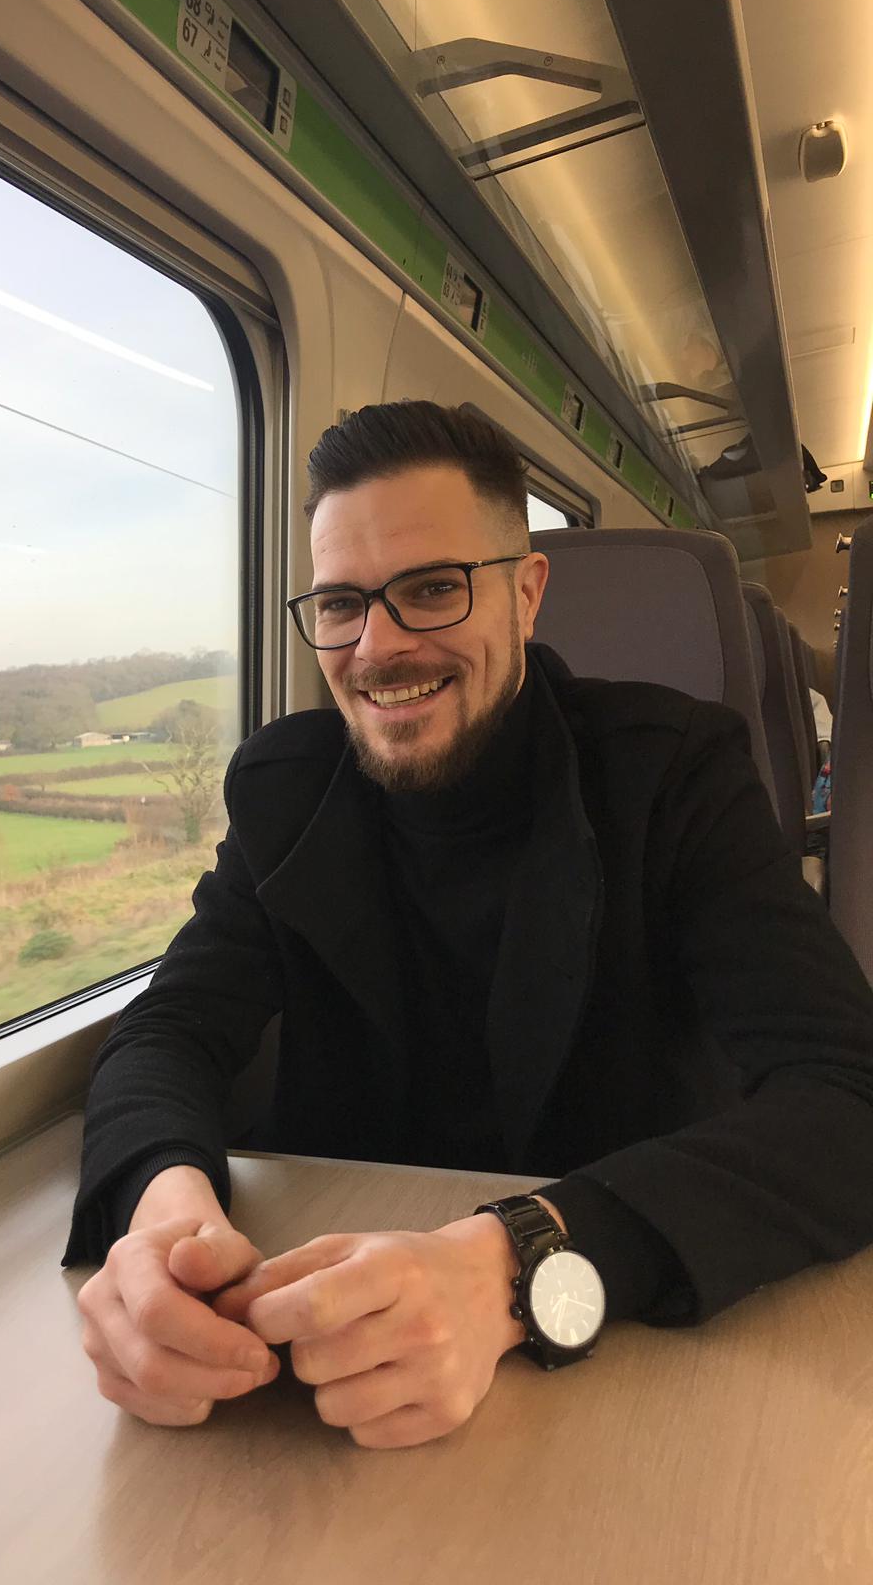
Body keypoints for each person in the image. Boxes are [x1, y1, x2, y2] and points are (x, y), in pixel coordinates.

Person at [66, 401, 873, 1450]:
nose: (379, 646)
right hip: (314, 1380)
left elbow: (848, 1098)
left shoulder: (671, 775)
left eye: (433, 589)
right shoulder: (286, 793)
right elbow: (168, 1031)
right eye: (342, 603)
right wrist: (164, 1220)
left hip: (617, 1370)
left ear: (526, 593)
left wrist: (512, 1267)